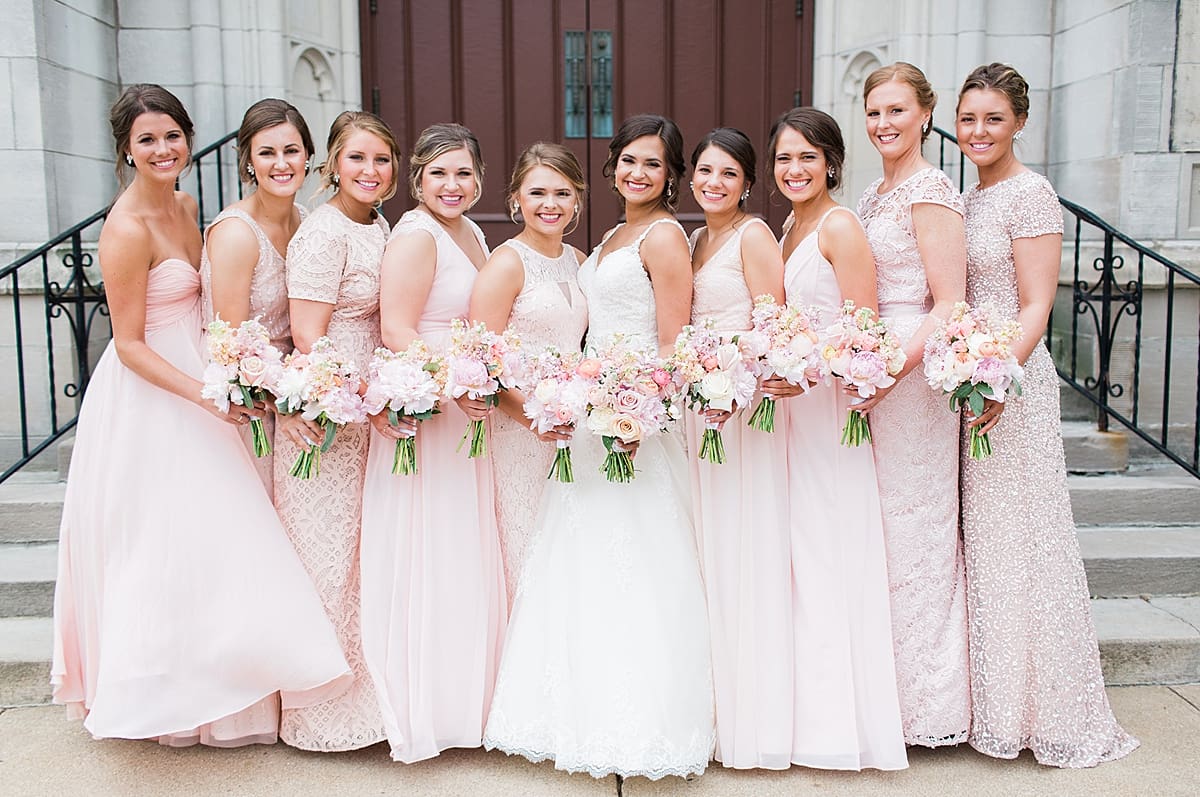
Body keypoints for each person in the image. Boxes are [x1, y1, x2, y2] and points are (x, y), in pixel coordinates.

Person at [51, 84, 351, 746]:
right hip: (155, 391)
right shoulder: (126, 227)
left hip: (213, 367)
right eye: (147, 140)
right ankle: (163, 690)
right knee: (162, 544)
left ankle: (228, 682)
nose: (163, 150)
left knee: (207, 543)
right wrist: (209, 394)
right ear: (126, 150)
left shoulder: (188, 206)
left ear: (188, 139)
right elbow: (127, 344)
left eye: (171, 136)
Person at [484, 114, 714, 783]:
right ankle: (575, 711)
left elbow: (673, 340)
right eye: (627, 161)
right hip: (592, 419)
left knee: (643, 566)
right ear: (613, 167)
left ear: (670, 175)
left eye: (652, 164)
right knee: (583, 565)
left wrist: (644, 413)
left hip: (635, 422)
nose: (637, 173)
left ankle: (643, 719)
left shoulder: (666, 236)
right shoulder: (610, 237)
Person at [955, 62, 1139, 767]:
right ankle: (996, 702)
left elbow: (1035, 303)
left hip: (1012, 384)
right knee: (988, 545)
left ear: (1020, 122)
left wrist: (998, 377)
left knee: (1024, 539)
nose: (977, 131)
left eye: (993, 119)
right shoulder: (970, 200)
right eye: (969, 118)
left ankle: (1047, 708)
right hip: (969, 381)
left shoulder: (1031, 195)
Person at [359, 123, 506, 763]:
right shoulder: (417, 237)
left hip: (467, 412)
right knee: (431, 550)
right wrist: (455, 384)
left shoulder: (470, 234)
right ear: (417, 178)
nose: (454, 185)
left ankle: (469, 700)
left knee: (465, 549)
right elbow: (396, 327)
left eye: (465, 173)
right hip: (436, 410)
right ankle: (428, 704)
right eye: (440, 173)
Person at [766, 108, 907, 770]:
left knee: (826, 553)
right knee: (795, 555)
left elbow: (865, 329)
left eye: (807, 157)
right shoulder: (789, 226)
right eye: (784, 158)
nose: (794, 169)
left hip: (826, 412)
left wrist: (806, 366)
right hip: (792, 414)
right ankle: (795, 709)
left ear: (831, 163)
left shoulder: (840, 225)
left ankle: (833, 723)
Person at [856, 61, 971, 746]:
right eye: (874, 112)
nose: (884, 124)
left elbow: (949, 301)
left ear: (925, 115)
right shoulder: (873, 196)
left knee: (917, 529)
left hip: (914, 376)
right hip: (871, 371)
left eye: (897, 110)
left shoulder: (931, 190)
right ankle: (880, 693)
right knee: (878, 532)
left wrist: (892, 369)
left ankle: (928, 708)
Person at [276, 110, 399, 751]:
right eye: (356, 159)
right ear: (331, 164)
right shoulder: (323, 234)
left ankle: (369, 699)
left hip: (373, 403)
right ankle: (320, 712)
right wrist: (355, 401)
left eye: (381, 160)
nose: (370, 172)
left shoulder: (378, 225)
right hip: (329, 411)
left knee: (360, 557)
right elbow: (308, 338)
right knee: (325, 559)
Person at [684, 127, 791, 769]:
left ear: (747, 182)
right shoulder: (699, 238)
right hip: (700, 410)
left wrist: (732, 382)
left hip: (739, 411)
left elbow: (771, 325)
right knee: (706, 550)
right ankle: (713, 700)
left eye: (728, 174)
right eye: (704, 171)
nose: (714, 183)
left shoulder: (754, 236)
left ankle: (752, 711)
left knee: (739, 548)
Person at [467, 142, 589, 609]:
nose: (550, 204)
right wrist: (530, 417)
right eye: (537, 192)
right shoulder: (506, 263)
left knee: (568, 545)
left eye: (562, 193)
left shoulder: (579, 262)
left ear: (577, 199)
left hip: (568, 427)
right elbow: (480, 362)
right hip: (519, 431)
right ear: (516, 198)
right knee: (526, 544)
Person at [199, 98, 320, 497]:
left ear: (308, 156)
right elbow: (230, 344)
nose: (281, 163)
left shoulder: (306, 220)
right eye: (267, 153)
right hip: (250, 403)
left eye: (291, 151)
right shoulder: (237, 233)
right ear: (249, 162)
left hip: (296, 388)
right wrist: (280, 409)